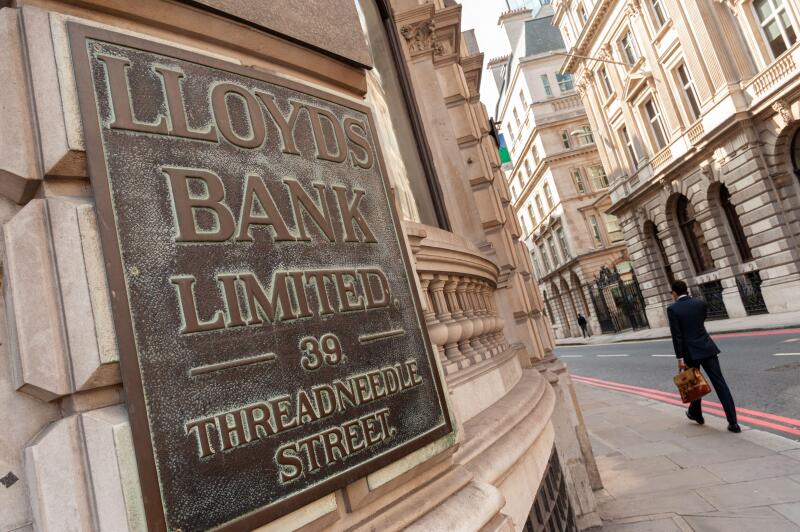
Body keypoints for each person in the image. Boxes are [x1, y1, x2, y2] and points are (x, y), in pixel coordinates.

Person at [667, 280, 740, 433]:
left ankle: (697, 414)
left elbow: (677, 336)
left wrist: (680, 359)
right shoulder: (700, 303)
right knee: (720, 384)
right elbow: (700, 322)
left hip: (690, 353)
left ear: (674, 292)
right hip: (707, 348)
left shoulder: (673, 309)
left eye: (671, 292)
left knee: (694, 385)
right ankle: (733, 423)